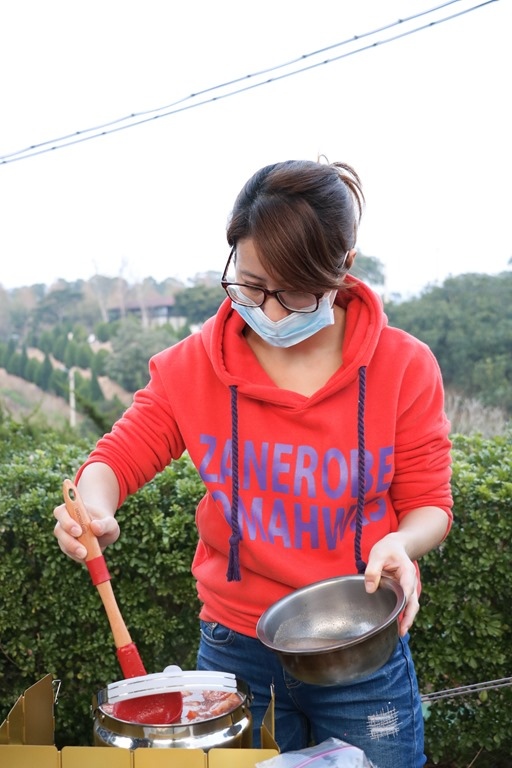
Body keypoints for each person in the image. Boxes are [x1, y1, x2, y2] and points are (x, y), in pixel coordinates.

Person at [53, 159, 452, 768]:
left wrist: (402, 540)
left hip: (359, 646)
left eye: (295, 291)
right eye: (251, 284)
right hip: (235, 646)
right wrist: (93, 508)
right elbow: (118, 457)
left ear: (342, 267)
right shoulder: (192, 367)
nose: (270, 313)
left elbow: (429, 503)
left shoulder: (404, 367)